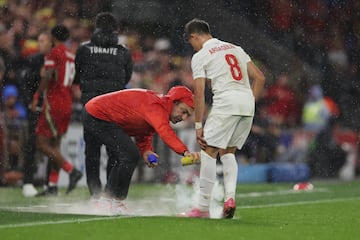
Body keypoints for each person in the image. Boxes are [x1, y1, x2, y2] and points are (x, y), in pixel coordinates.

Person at [181, 19, 265, 218]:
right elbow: (260, 78)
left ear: (194, 36)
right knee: (228, 153)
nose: (192, 46)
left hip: (226, 102)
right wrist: (249, 101)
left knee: (208, 151)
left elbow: (199, 93)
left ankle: (202, 208)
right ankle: (230, 198)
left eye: (190, 42)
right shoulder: (236, 48)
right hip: (246, 104)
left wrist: (199, 124)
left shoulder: (200, 56)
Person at [82, 86, 199, 214]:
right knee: (129, 155)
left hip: (96, 113)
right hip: (96, 116)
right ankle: (108, 201)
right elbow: (165, 132)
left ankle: (113, 202)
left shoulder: (159, 106)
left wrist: (146, 151)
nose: (183, 117)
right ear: (174, 102)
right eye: (183, 111)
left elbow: (144, 131)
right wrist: (185, 152)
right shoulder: (156, 107)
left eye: (187, 115)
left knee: (124, 156)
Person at [74, 12, 133, 199]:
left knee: (92, 151)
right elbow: (127, 78)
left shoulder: (84, 49)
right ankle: (110, 191)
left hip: (90, 106)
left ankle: (95, 194)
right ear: (116, 29)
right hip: (113, 107)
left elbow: (77, 75)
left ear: (96, 27)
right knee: (114, 150)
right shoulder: (123, 51)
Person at [30, 25, 82, 196]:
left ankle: (71, 170)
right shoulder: (70, 54)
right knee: (55, 146)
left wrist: (37, 94)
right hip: (67, 102)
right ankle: (52, 187)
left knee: (41, 143)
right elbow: (72, 78)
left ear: (53, 37)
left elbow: (49, 75)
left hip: (54, 102)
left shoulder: (54, 53)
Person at [21, 31, 52, 197]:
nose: (39, 44)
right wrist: (37, 76)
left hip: (51, 109)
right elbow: (26, 82)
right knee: (32, 144)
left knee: (51, 147)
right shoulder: (35, 60)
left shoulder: (55, 60)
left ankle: (50, 182)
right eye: (39, 41)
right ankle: (27, 181)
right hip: (37, 108)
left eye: (43, 41)